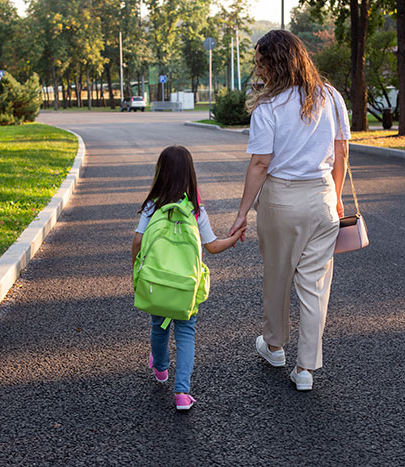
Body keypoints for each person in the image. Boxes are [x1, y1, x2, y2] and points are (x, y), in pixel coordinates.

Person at [228, 30, 350, 391]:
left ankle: (276, 347)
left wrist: (241, 212)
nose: (258, 69)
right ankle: (306, 370)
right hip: (324, 197)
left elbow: (260, 165)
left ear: (275, 62)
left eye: (261, 62)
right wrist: (337, 196)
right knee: (314, 286)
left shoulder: (269, 107)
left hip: (282, 200)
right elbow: (341, 152)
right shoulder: (331, 96)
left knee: (278, 276)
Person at [132, 145, 245, 410]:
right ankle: (182, 393)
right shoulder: (196, 210)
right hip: (186, 288)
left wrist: (137, 271)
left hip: (157, 283)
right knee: (185, 335)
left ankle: (160, 368)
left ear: (160, 174)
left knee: (158, 326)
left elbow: (137, 240)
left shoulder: (152, 206)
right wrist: (235, 237)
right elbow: (213, 246)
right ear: (190, 175)